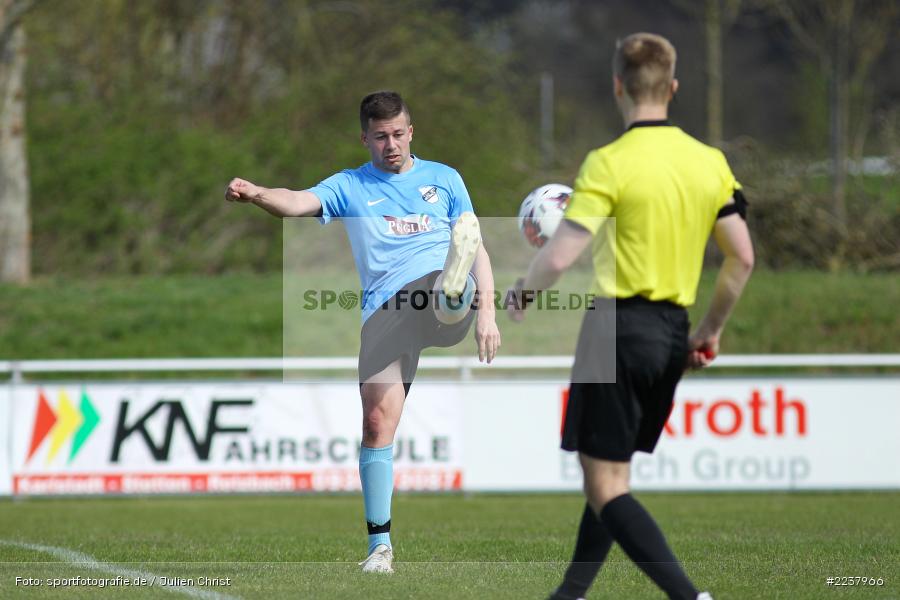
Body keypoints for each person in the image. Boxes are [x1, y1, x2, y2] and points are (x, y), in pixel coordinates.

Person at [508, 33, 754, 600]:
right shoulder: (710, 163)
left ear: (618, 86)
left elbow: (560, 256)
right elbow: (742, 257)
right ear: (673, 87)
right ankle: (569, 595)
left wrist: (523, 292)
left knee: (606, 484)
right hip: (672, 331)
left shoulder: (609, 163)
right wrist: (708, 331)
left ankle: (691, 597)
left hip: (615, 328)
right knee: (611, 472)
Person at [225, 90, 501, 574]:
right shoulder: (350, 185)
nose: (390, 145)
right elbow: (297, 202)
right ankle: (380, 549)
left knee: (444, 286)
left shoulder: (445, 179)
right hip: (384, 310)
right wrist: (257, 194)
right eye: (380, 137)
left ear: (411, 132)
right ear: (365, 139)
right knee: (376, 424)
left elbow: (476, 245)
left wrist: (488, 315)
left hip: (432, 289)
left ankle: (455, 290)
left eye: (397, 134)